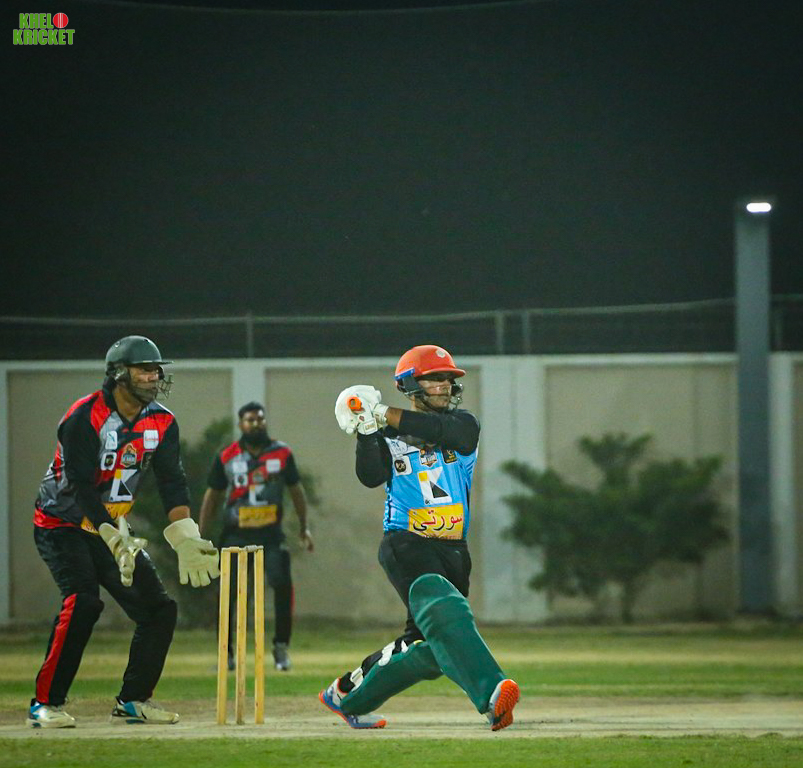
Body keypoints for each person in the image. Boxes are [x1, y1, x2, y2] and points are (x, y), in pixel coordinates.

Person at [319, 344, 520, 731]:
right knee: (442, 606)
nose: (445, 385)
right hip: (406, 542)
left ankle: (347, 695)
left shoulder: (463, 425)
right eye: (434, 378)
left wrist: (380, 413)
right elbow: (370, 476)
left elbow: (440, 431)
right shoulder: (385, 433)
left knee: (429, 649)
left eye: (448, 379)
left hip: (454, 549)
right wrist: (366, 431)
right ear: (410, 385)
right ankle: (493, 693)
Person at [27, 335, 220, 729]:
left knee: (159, 610)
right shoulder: (84, 417)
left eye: (155, 370)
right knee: (83, 601)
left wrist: (185, 532)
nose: (153, 377)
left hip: (112, 528)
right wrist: (111, 538)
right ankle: (45, 703)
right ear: (118, 374)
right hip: (62, 524)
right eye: (143, 370)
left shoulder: (162, 421)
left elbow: (172, 482)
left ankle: (133, 700)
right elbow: (80, 487)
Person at [199, 401, 313, 672]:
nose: (256, 424)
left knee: (282, 584)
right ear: (241, 424)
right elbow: (212, 496)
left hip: (271, 534)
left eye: (260, 419)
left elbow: (296, 491)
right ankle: (226, 652)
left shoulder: (282, 453)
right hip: (236, 534)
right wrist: (200, 536)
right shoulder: (227, 456)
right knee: (229, 592)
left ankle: (280, 647)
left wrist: (304, 527)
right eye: (250, 420)